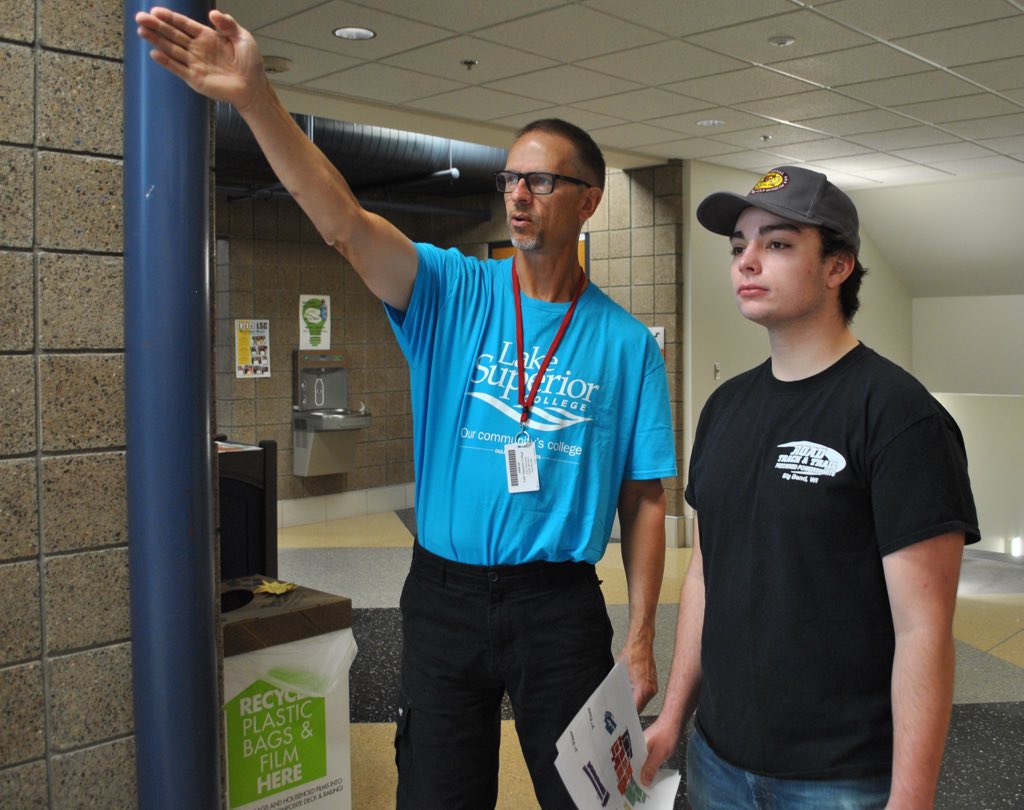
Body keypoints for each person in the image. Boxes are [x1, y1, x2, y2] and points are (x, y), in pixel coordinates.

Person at [135, 8, 677, 808]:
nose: (518, 195)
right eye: (509, 180)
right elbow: (344, 225)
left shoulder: (627, 346)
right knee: (434, 793)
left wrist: (638, 640)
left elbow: (646, 498)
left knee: (595, 798)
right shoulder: (451, 291)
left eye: (540, 181)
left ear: (588, 200)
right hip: (445, 599)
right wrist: (255, 99)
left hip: (558, 608)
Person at [640, 165, 979, 809]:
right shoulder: (725, 407)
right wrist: (673, 720)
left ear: (837, 267)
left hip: (843, 778)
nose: (747, 262)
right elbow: (707, 577)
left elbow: (923, 630)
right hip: (718, 760)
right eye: (739, 246)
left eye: (778, 243)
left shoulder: (898, 415)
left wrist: (910, 799)